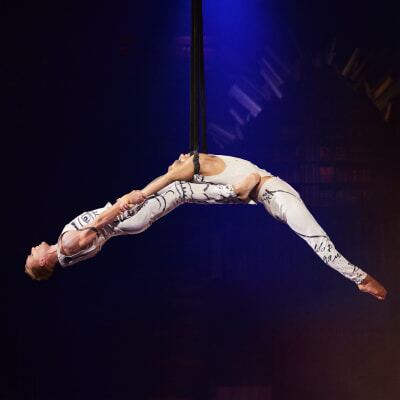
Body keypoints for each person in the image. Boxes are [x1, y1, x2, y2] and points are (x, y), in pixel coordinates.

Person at [164, 153, 386, 301]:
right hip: (276, 196)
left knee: (318, 241)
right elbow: (176, 181)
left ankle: (360, 279)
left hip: (275, 195)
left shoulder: (208, 161)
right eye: (177, 162)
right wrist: (145, 193)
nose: (180, 157)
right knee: (320, 243)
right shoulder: (200, 167)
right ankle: (362, 279)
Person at [24, 169, 261, 281]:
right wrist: (122, 203)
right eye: (32, 256)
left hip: (124, 218)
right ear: (43, 261)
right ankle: (235, 192)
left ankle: (226, 187)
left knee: (176, 184)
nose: (33, 248)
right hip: (124, 218)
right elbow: (95, 227)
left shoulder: (64, 249)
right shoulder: (66, 246)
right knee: (179, 190)